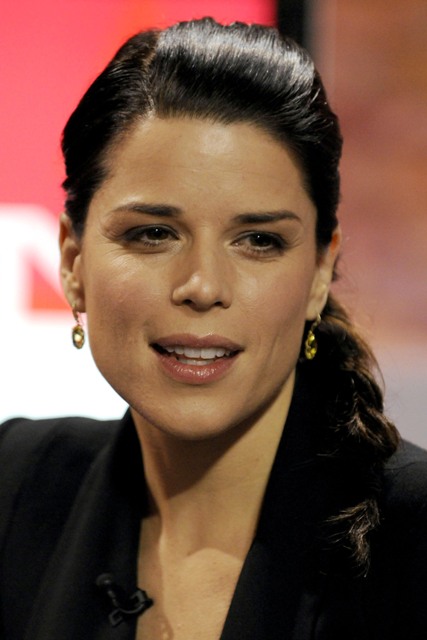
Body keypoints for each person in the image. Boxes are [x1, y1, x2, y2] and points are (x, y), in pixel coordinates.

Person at [1, 17, 426, 640]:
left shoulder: (413, 537)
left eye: (259, 240)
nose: (203, 286)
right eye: (154, 233)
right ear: (72, 261)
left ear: (319, 272)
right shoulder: (15, 486)